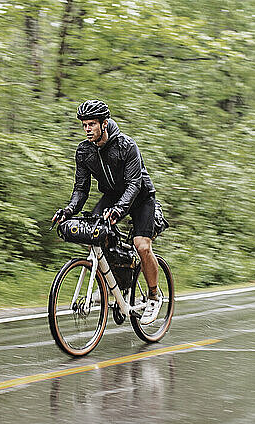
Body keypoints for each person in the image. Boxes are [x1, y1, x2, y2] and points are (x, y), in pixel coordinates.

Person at [52, 99, 162, 325]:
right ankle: (116, 286)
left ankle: (154, 295)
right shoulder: (84, 152)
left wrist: (119, 210)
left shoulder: (126, 145)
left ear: (104, 123)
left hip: (140, 196)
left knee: (142, 245)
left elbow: (134, 184)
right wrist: (68, 210)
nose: (87, 129)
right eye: (84, 125)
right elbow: (81, 189)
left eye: (92, 124)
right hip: (112, 197)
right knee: (96, 235)